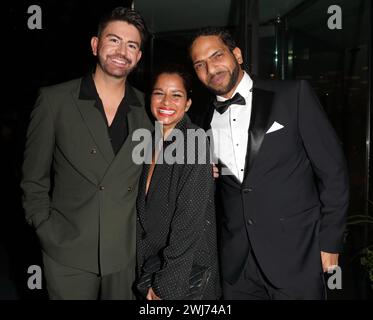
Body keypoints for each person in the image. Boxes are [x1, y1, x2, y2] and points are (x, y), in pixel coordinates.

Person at [189, 27, 349, 300]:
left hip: (297, 256)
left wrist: (331, 242)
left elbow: (333, 171)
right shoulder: (202, 122)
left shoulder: (293, 94)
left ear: (237, 54)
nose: (211, 68)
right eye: (200, 64)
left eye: (217, 56)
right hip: (237, 266)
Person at [21, 7, 152, 300]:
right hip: (67, 251)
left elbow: (166, 162)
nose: (122, 51)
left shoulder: (148, 109)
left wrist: (203, 160)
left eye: (132, 45)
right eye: (114, 40)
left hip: (125, 254)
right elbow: (33, 178)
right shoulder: (54, 101)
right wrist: (45, 228)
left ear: (139, 56)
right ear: (95, 45)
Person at [135, 64, 220, 300]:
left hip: (183, 275)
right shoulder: (147, 141)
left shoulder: (195, 142)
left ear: (188, 103)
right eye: (159, 93)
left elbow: (188, 223)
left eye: (176, 95)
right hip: (150, 265)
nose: (166, 102)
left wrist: (167, 285)